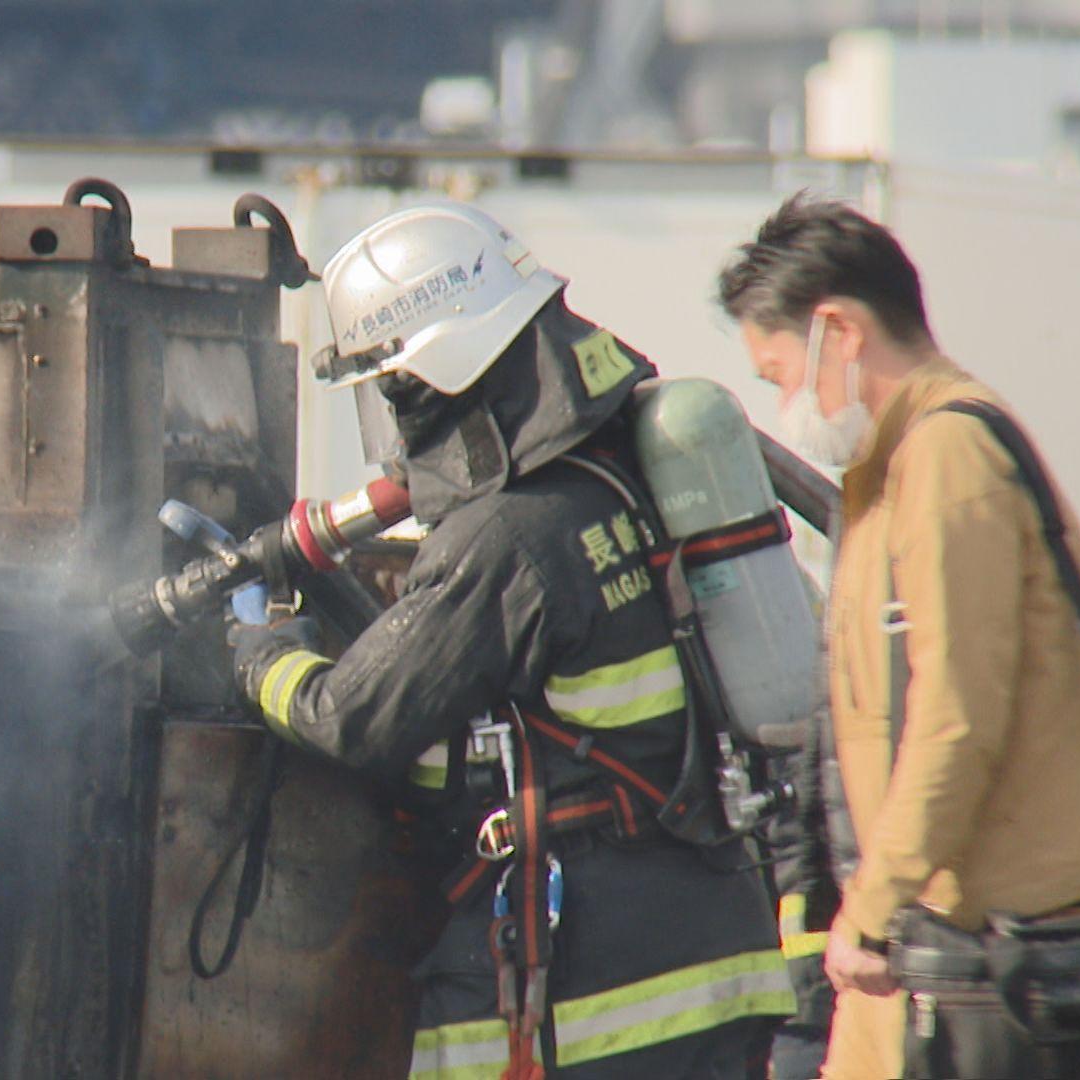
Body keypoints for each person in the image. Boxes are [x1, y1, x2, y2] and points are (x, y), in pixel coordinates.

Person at [232, 203, 794, 1078]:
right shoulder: (625, 469)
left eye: (394, 390)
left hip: (598, 996)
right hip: (715, 951)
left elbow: (352, 717)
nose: (395, 423)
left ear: (438, 375)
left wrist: (256, 657)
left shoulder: (505, 537)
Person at [719, 193, 1080, 1078]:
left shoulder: (946, 459)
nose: (786, 405)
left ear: (839, 333)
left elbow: (956, 715)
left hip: (993, 978)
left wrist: (872, 906)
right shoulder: (886, 476)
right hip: (923, 966)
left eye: (780, 375)